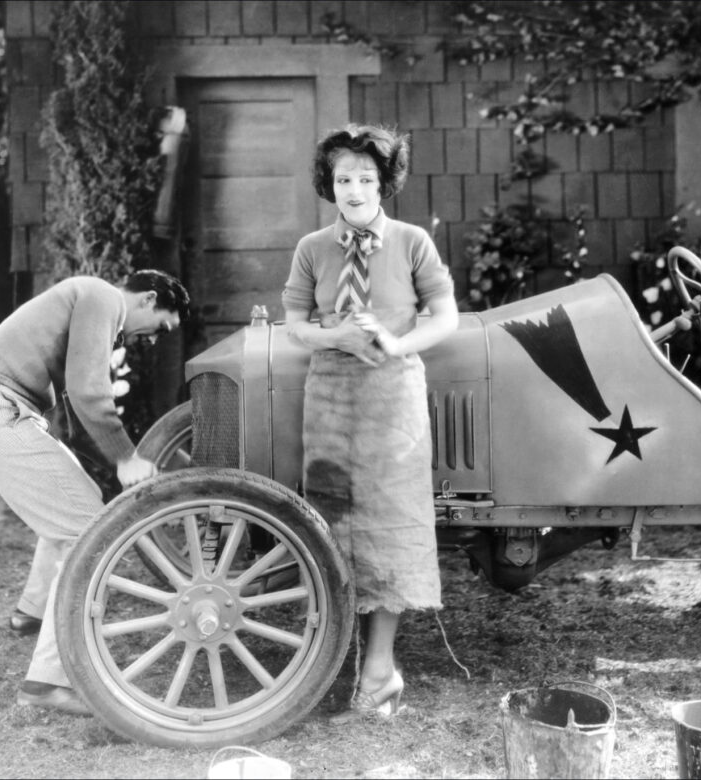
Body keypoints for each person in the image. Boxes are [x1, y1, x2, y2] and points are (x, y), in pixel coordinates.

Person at [0, 269, 190, 715]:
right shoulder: (102, 298)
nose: (153, 340)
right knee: (90, 534)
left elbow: (75, 428)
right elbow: (88, 393)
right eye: (160, 328)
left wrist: (136, 459)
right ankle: (46, 684)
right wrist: (125, 459)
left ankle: (33, 612)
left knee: (72, 498)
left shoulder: (88, 303)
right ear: (148, 299)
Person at [281, 124, 459, 720]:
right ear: (327, 186)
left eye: (365, 178)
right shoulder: (312, 247)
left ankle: (380, 671)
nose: (353, 189)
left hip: (392, 392)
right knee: (332, 526)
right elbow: (294, 321)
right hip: (330, 392)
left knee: (388, 526)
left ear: (384, 183)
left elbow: (446, 315)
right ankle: (336, 662)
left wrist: (395, 340)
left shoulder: (412, 242)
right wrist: (332, 336)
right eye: (342, 179)